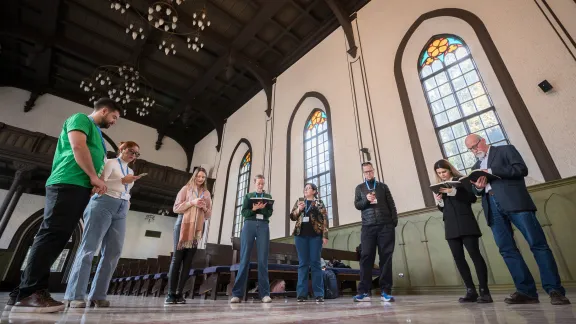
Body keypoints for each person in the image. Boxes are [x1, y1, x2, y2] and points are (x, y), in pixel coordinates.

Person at [9, 98, 120, 313]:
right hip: (67, 182)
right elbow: (77, 146)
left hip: (78, 186)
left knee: (57, 237)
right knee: (51, 235)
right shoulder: (80, 119)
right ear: (104, 110)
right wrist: (92, 177)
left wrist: (94, 180)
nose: (115, 121)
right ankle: (30, 292)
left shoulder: (97, 133)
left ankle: (22, 292)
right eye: (114, 117)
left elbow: (94, 158)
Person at [464, 134, 570, 305]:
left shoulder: (505, 150)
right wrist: (478, 187)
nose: (474, 150)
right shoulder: (475, 166)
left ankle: (555, 290)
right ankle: (526, 291)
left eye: (475, 146)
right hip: (492, 207)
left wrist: (491, 172)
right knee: (507, 250)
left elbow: (521, 169)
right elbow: (477, 193)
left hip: (516, 203)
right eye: (470, 149)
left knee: (538, 245)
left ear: (483, 140)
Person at [64, 141, 142, 308]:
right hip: (103, 203)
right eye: (131, 151)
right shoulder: (110, 163)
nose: (133, 155)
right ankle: (75, 296)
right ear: (121, 149)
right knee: (89, 248)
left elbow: (126, 189)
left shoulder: (131, 170)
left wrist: (127, 201)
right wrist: (122, 180)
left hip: (121, 207)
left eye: (136, 154)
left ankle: (98, 295)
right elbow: (99, 183)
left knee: (113, 252)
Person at [433, 159, 492, 303]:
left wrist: (453, 191)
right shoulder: (440, 185)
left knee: (475, 256)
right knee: (459, 259)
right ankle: (470, 291)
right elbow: (444, 208)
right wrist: (439, 200)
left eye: (444, 172)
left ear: (450, 169)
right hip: (451, 225)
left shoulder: (462, 180)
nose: (442, 175)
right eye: (439, 173)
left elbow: (471, 198)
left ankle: (484, 291)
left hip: (466, 222)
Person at [165, 167, 212, 305]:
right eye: (199, 176)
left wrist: (203, 207)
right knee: (177, 259)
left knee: (188, 261)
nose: (201, 179)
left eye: (203, 177)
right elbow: (176, 208)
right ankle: (170, 293)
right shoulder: (186, 189)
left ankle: (179, 293)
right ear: (194, 176)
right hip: (183, 226)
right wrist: (192, 202)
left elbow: (208, 214)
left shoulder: (207, 193)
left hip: (197, 228)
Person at [353, 162, 397, 302]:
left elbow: (392, 204)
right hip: (368, 226)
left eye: (370, 171)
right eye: (366, 172)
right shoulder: (359, 188)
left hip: (386, 226)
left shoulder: (383, 187)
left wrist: (393, 222)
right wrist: (366, 200)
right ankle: (364, 291)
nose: (368, 174)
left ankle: (385, 290)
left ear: (374, 171)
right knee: (366, 257)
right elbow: (357, 205)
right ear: (363, 173)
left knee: (386, 258)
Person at [230, 174, 273, 303]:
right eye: (259, 183)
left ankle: (265, 294)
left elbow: (269, 213)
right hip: (249, 225)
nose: (261, 186)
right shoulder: (248, 196)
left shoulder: (268, 197)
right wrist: (254, 209)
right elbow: (244, 212)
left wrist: (263, 209)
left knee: (263, 259)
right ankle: (237, 294)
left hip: (263, 226)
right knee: (244, 259)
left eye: (262, 184)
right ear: (255, 183)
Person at [290, 183, 329, 302]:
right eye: (305, 188)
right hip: (300, 236)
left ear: (314, 191)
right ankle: (301, 294)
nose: (306, 190)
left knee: (316, 264)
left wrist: (325, 235)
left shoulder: (319, 203)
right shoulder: (299, 201)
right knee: (303, 264)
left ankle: (319, 294)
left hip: (315, 237)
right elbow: (292, 216)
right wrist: (299, 209)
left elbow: (325, 220)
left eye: (308, 188)